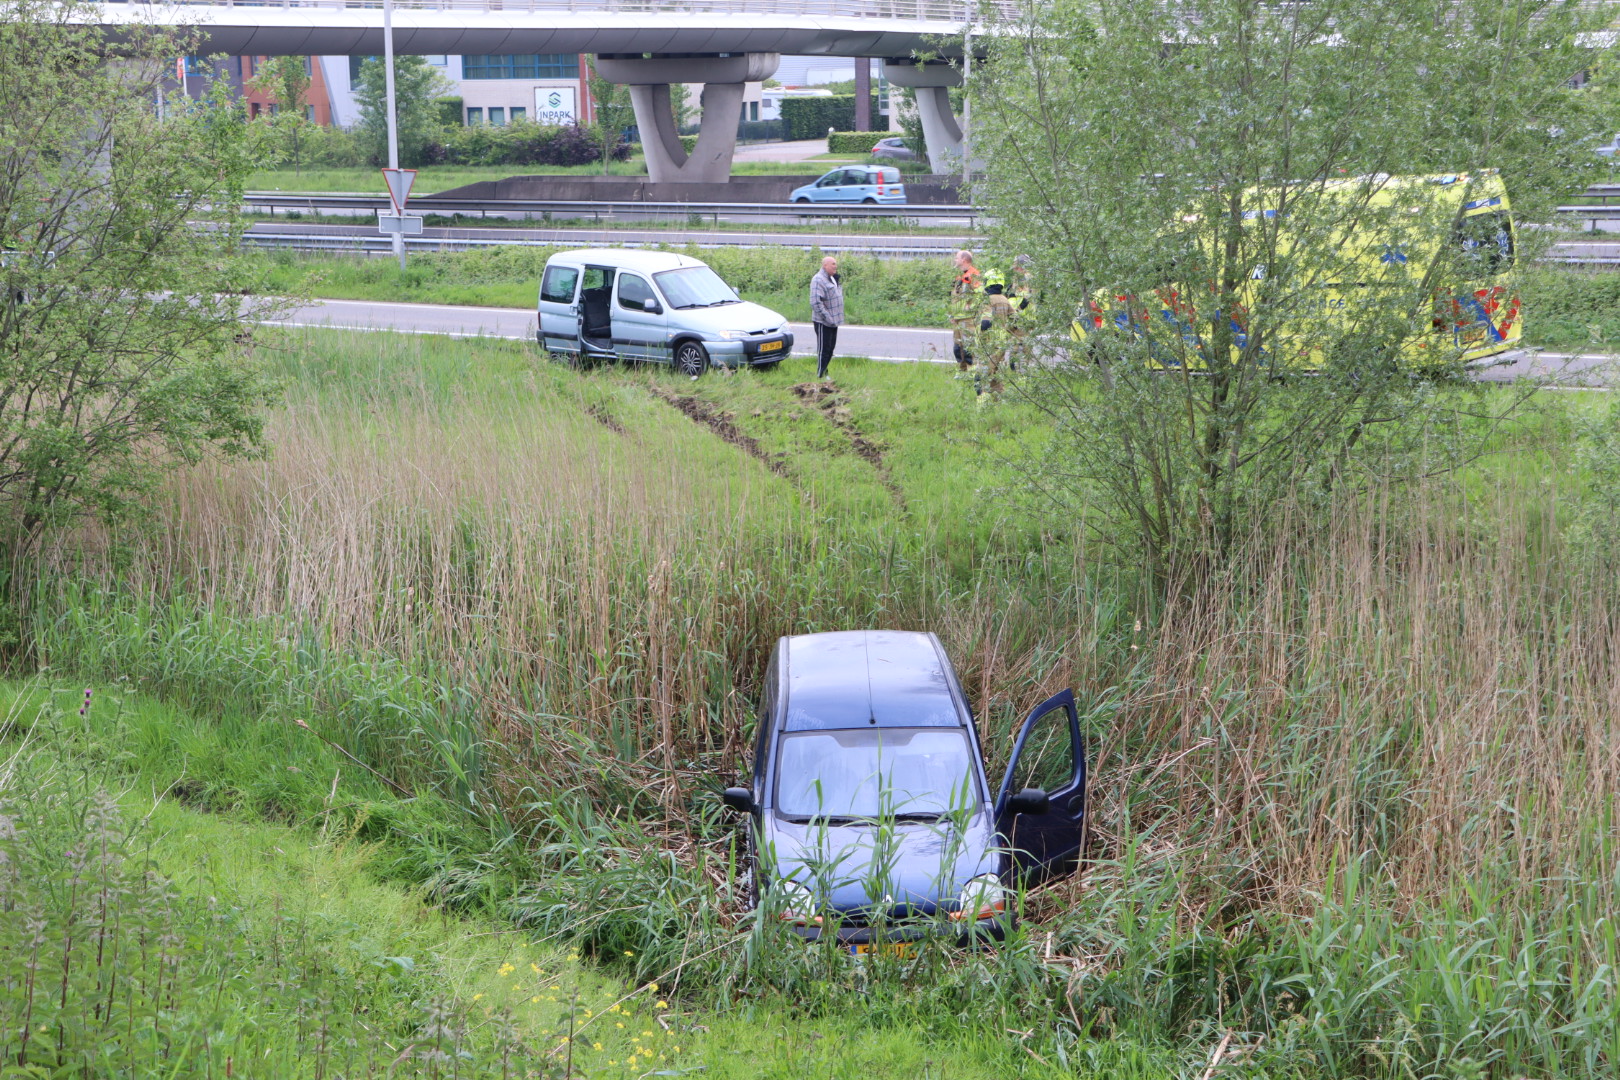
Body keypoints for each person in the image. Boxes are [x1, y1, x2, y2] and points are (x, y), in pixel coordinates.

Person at [809, 255, 843, 380]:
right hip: (824, 322)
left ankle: (825, 373)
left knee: (830, 349)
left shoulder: (832, 278)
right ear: (825, 265)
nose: (835, 266)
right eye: (833, 264)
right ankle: (820, 375)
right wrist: (827, 317)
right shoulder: (818, 280)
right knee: (824, 350)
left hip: (834, 322)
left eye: (836, 263)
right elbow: (815, 302)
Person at [950, 250, 982, 372]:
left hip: (968, 319)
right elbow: (956, 297)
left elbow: (980, 294)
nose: (955, 259)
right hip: (958, 318)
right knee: (958, 348)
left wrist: (971, 306)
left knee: (968, 348)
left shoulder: (973, 275)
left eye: (957, 257)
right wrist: (953, 314)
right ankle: (962, 372)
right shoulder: (961, 276)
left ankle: (972, 371)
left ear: (964, 260)